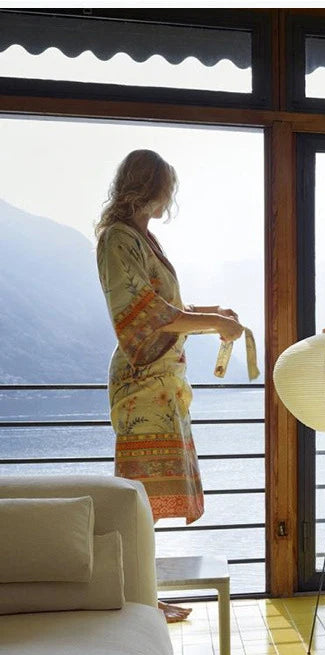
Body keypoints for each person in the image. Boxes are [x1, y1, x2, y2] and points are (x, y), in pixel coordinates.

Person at [95, 149, 243, 623]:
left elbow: (168, 309)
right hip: (143, 384)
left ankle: (143, 593)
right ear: (151, 187)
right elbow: (146, 314)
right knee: (141, 496)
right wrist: (210, 324)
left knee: (148, 499)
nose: (169, 197)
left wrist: (214, 317)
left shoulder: (142, 238)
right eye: (166, 187)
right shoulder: (119, 239)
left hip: (162, 386)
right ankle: (139, 598)